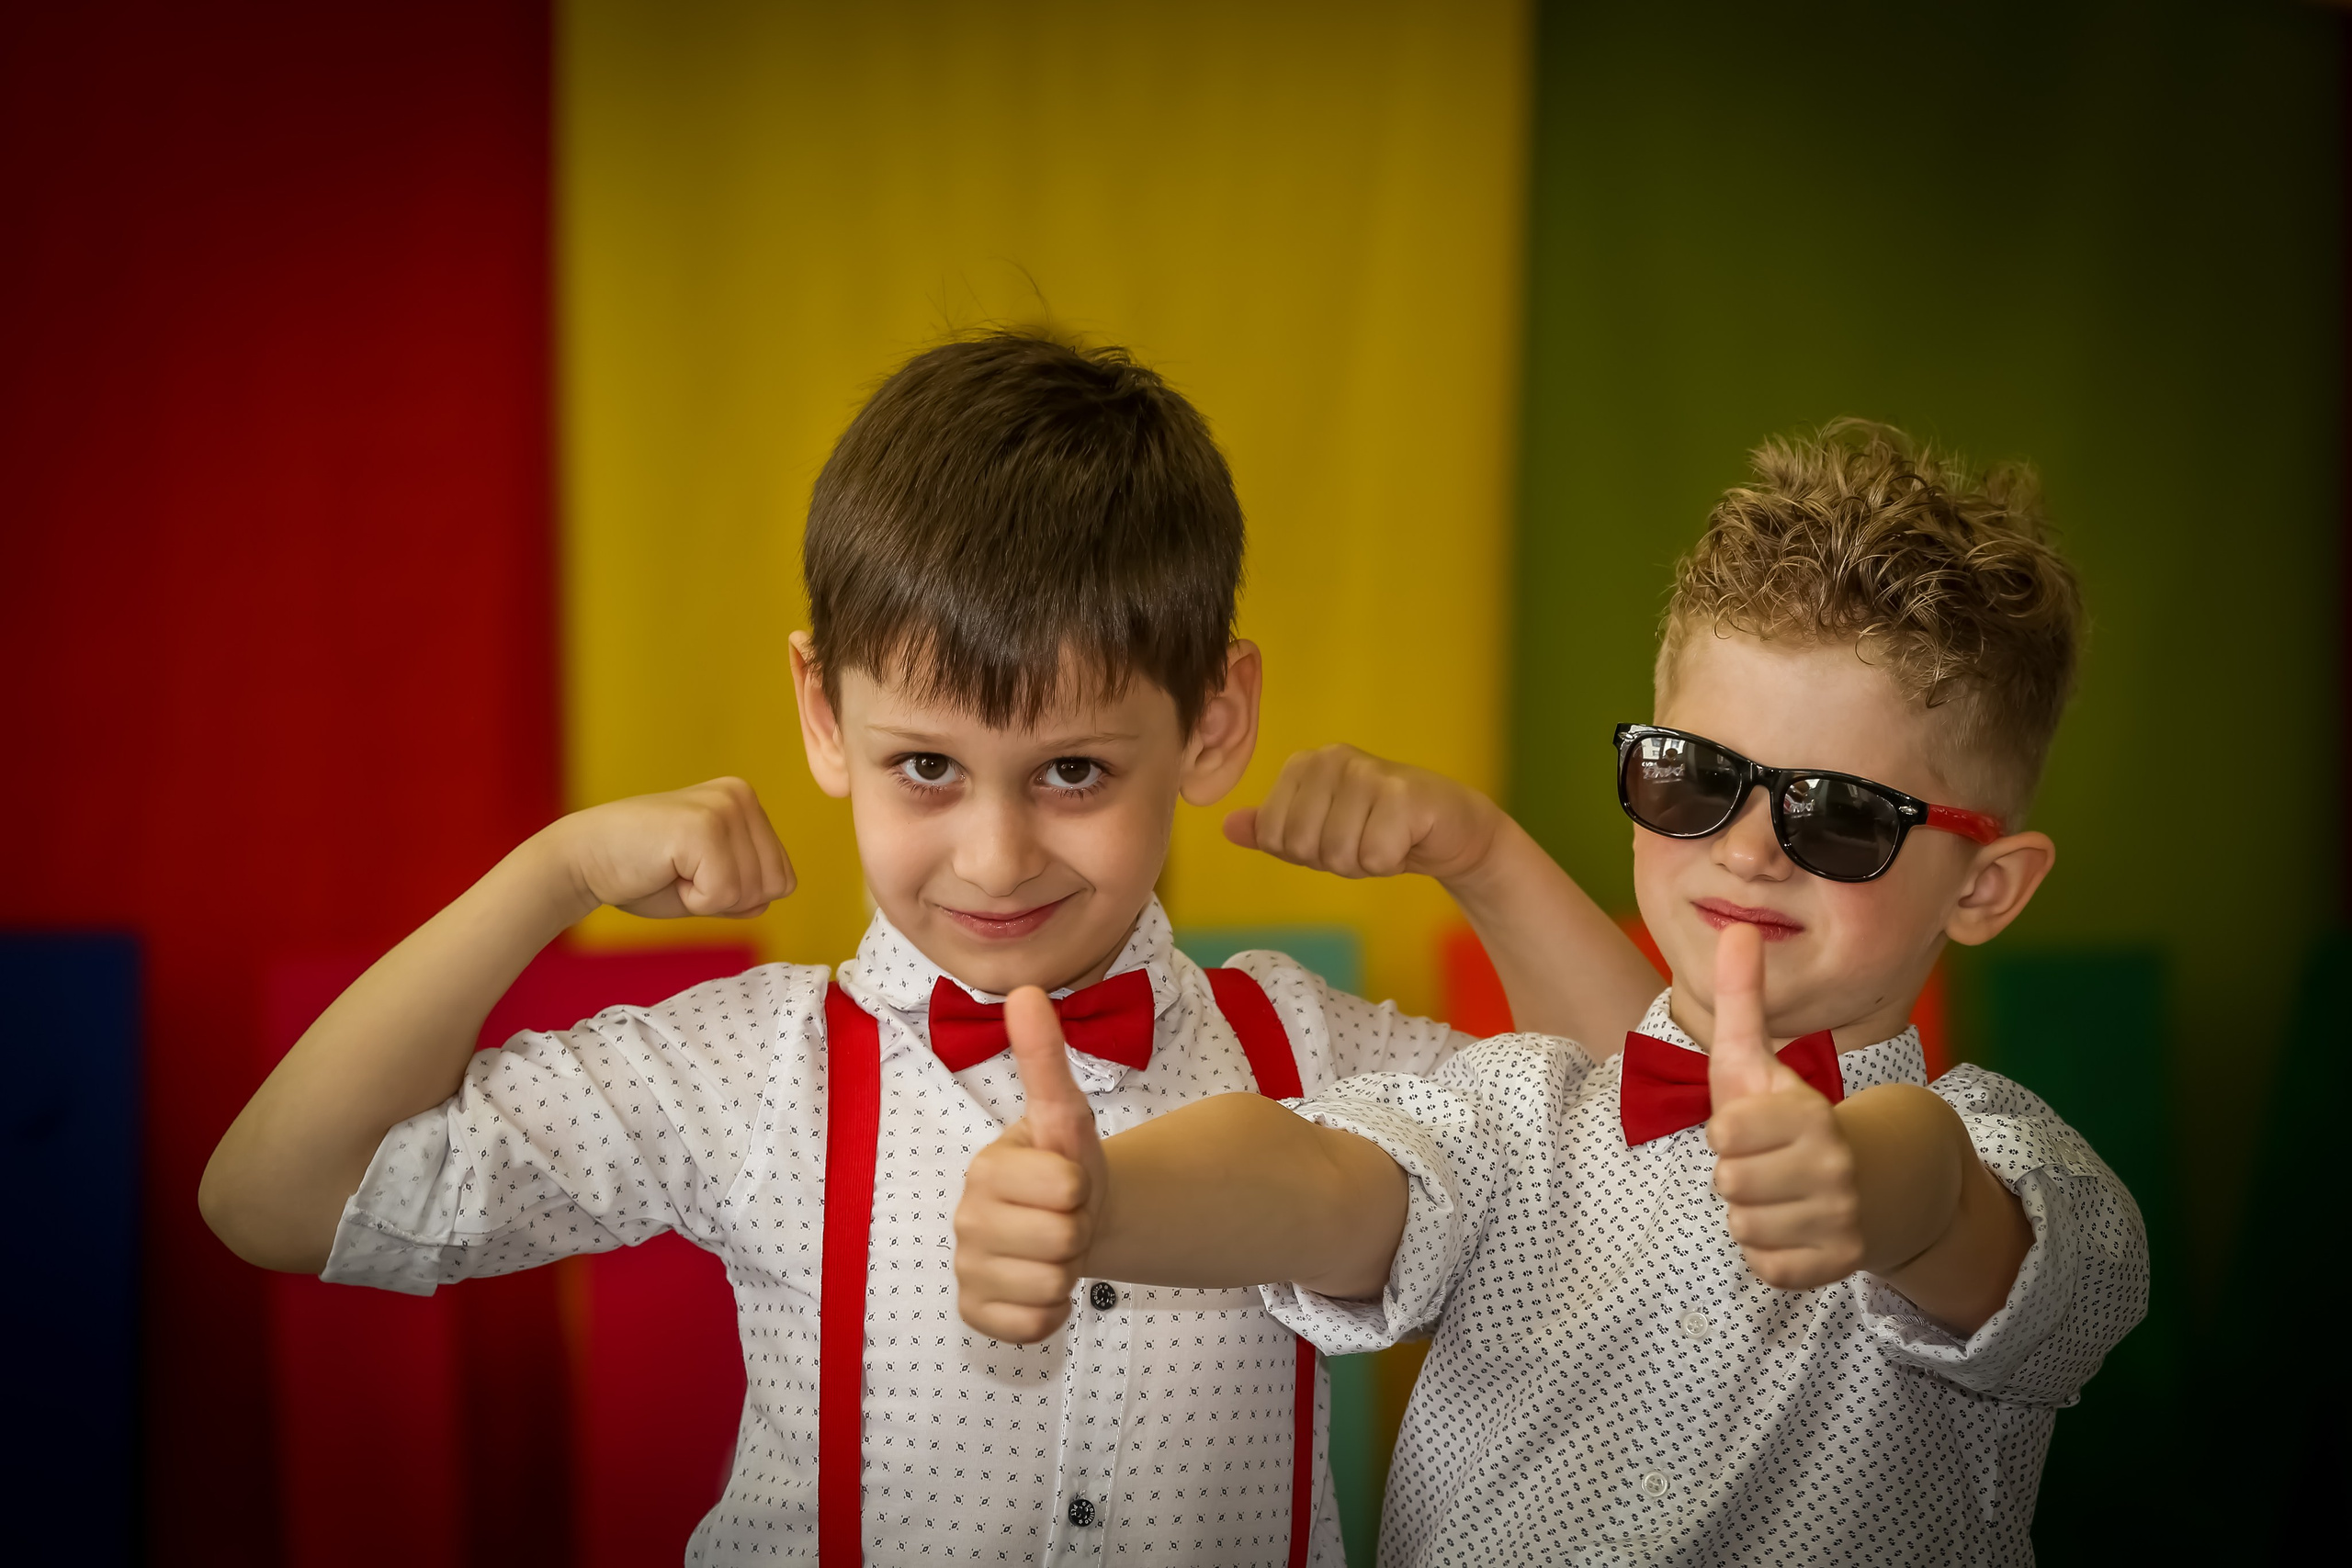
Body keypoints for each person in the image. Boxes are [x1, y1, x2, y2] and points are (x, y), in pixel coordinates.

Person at [198, 331, 1660, 1566]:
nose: (997, 855)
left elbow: (1655, 1169)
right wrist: (550, 871)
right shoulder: (747, 1069)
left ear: (1212, 723)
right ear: (823, 715)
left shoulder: (1314, 1055)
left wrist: (1484, 856)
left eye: (1074, 773)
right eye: (928, 769)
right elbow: (278, 1195)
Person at [955, 422, 2150, 1565]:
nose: (1749, 850)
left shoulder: (2025, 1172)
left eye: (1838, 813)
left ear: (1986, 888)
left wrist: (1864, 1178)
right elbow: (1318, 1182)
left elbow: (1944, 1194)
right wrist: (1110, 1200)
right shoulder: (1517, 1106)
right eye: (1696, 778)